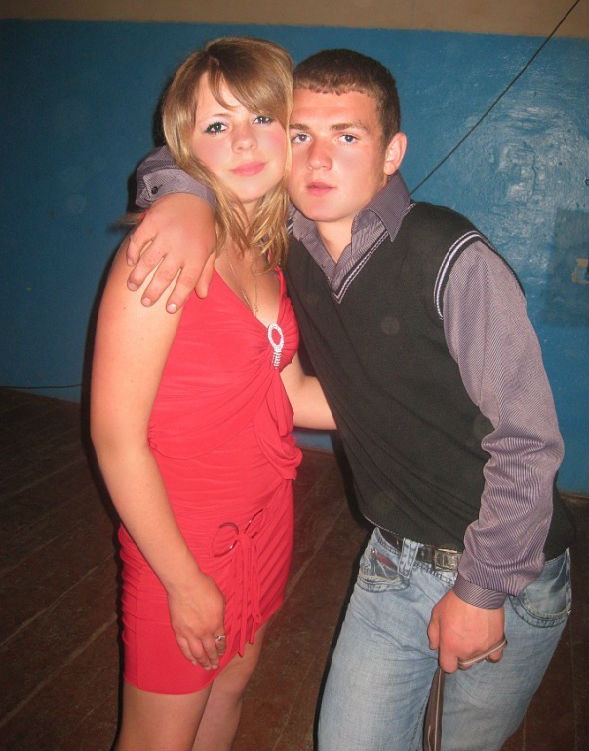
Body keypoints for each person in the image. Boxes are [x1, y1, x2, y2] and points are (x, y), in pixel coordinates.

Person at [123, 48, 574, 751]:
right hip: (390, 559)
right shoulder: (286, 245)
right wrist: (181, 194)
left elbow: (528, 441)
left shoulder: (450, 258)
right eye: (300, 134)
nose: (318, 159)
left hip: (505, 567)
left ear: (392, 153)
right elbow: (206, 150)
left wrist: (481, 589)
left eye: (347, 135)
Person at [91, 37, 334, 751]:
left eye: (261, 118)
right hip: (181, 538)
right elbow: (115, 439)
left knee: (230, 688)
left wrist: (414, 409)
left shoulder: (265, 254)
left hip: (265, 519)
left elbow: (289, 393)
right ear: (185, 145)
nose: (245, 142)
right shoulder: (163, 251)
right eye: (217, 125)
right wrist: (184, 581)